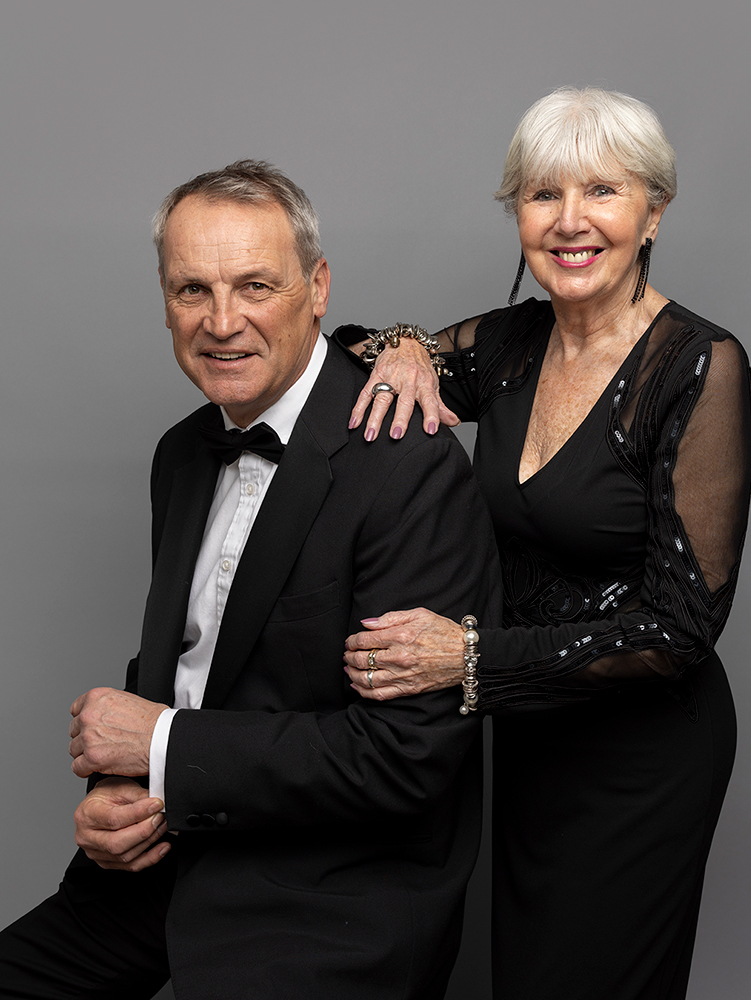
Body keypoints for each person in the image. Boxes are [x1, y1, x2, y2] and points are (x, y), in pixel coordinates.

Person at [0, 161, 502, 999]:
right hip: (163, 861)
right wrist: (120, 789)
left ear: (318, 288)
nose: (222, 321)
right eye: (191, 290)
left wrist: (159, 745)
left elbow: (405, 758)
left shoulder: (408, 466)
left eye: (255, 286)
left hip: (326, 898)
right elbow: (194, 665)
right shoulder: (181, 452)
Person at [339, 88, 751, 1000]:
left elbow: (680, 629)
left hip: (643, 756)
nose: (569, 221)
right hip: (532, 740)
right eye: (541, 194)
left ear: (653, 212)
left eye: (601, 191)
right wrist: (406, 346)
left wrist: (466, 657)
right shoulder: (512, 343)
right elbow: (344, 358)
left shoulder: (698, 364)